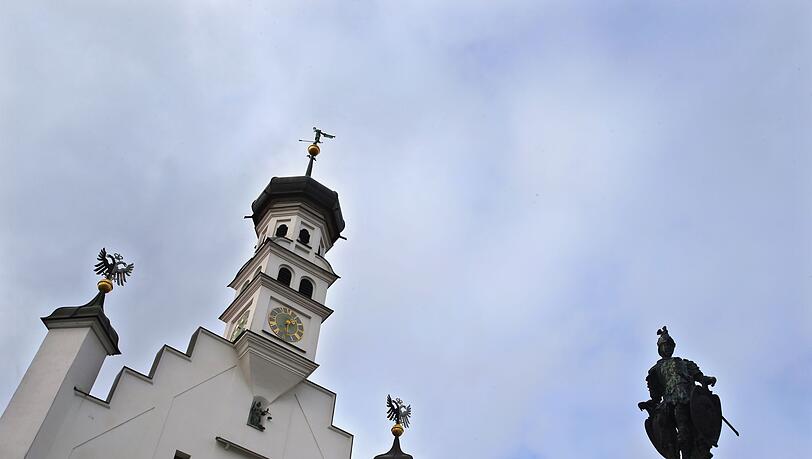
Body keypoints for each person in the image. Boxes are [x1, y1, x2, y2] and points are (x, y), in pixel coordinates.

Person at [638, 327, 716, 459]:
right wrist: (649, 403)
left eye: (669, 345)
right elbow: (655, 394)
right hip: (672, 400)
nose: (667, 348)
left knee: (694, 426)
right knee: (682, 425)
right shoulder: (655, 371)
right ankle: (683, 452)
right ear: (660, 349)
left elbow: (698, 376)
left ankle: (699, 447)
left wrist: (706, 379)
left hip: (689, 396)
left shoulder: (683, 363)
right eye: (664, 346)